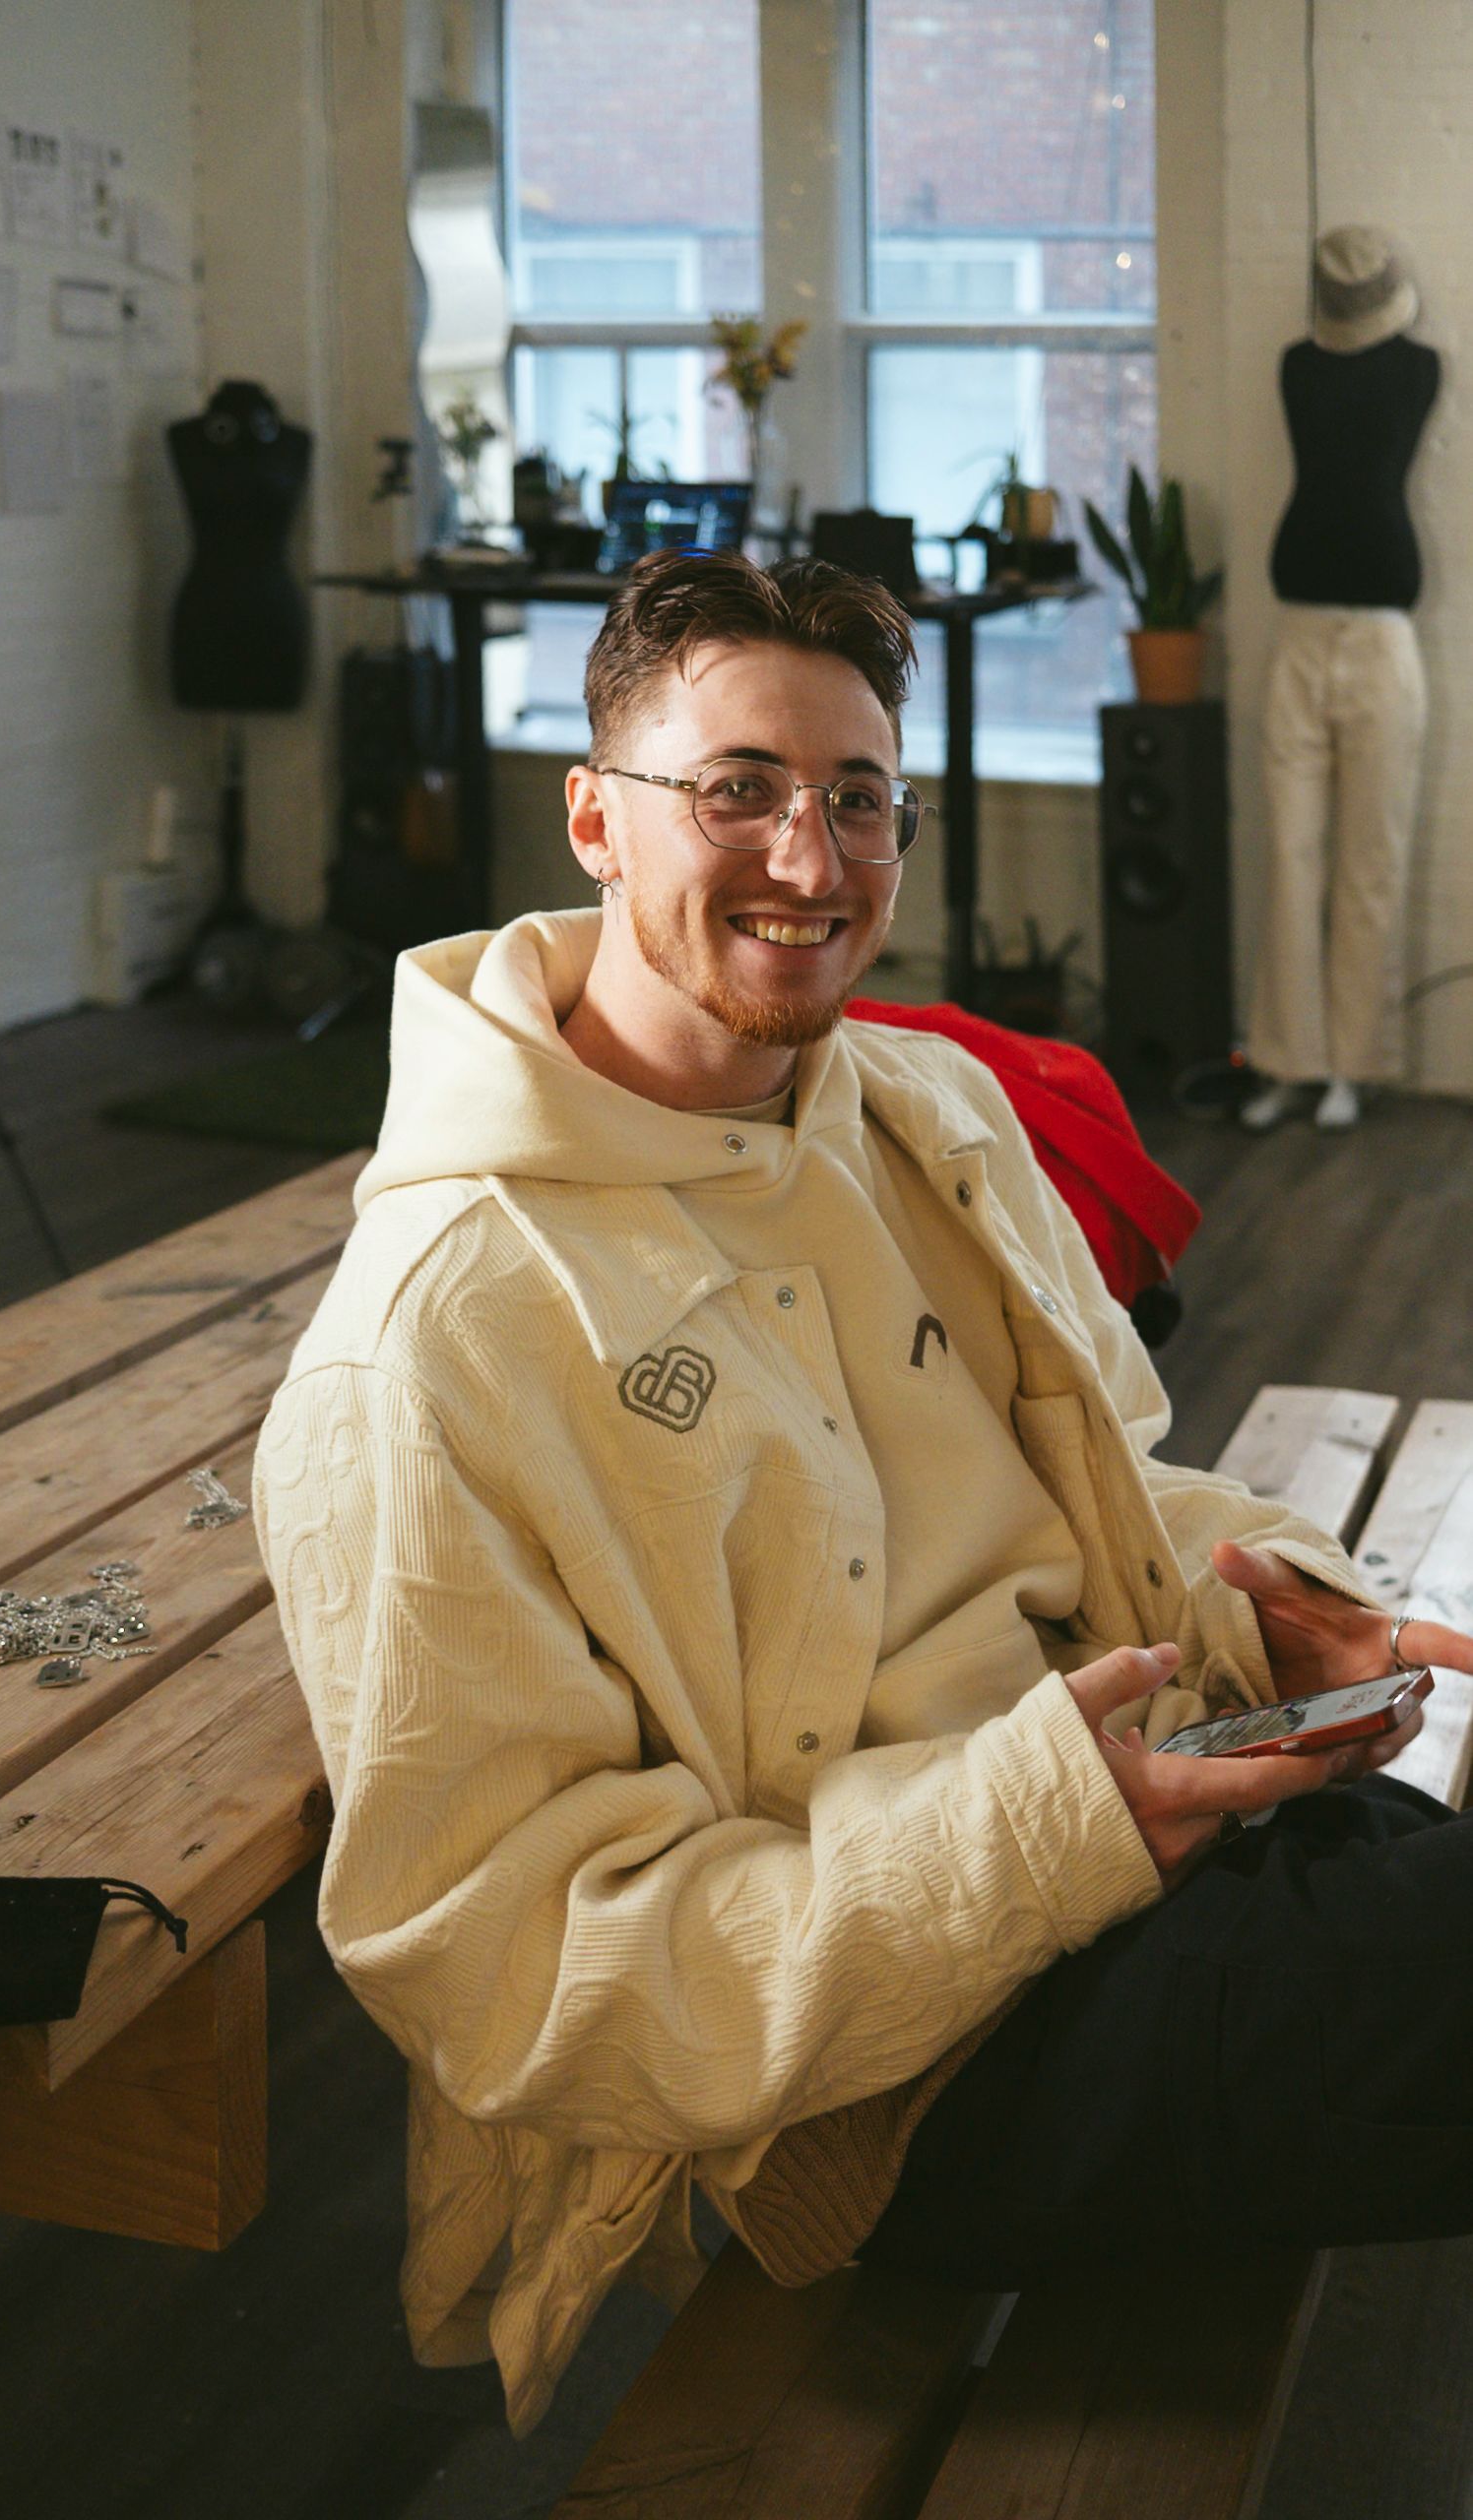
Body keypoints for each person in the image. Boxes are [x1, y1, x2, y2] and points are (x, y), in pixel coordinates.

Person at [253, 550, 1473, 2437]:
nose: (809, 861)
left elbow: (1112, 1486)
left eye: (857, 799)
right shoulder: (431, 1341)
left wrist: (1271, 1611)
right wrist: (1045, 1828)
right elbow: (520, 1976)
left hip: (1162, 1839)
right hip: (907, 2081)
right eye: (736, 790)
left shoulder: (920, 1108)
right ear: (592, 818)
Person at [1242, 226, 1440, 1133]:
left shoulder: (1418, 367)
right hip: (1299, 631)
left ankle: (1356, 1064)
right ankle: (1288, 1059)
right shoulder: (1297, 365)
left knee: (1369, 859)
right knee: (1289, 854)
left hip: (1383, 641)